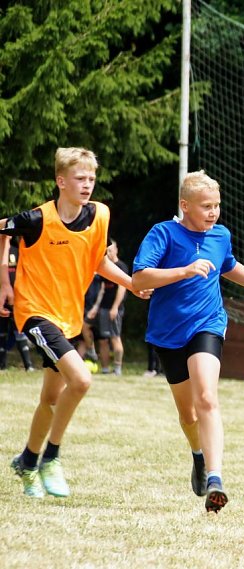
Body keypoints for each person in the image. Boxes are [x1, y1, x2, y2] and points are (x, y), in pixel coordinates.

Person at [132, 170, 244, 514]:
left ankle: (216, 479)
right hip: (168, 333)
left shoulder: (220, 235)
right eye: (206, 206)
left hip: (208, 324)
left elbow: (229, 266)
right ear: (185, 205)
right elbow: (140, 278)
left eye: (217, 205)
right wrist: (185, 270)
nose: (213, 212)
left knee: (206, 396)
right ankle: (198, 456)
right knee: (187, 413)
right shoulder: (163, 233)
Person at [1, 147, 150, 499]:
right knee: (81, 380)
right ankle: (50, 457)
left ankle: (27, 460)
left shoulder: (99, 215)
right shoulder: (36, 219)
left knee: (50, 399)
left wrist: (131, 284)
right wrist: (4, 283)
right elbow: (2, 230)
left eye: (92, 179)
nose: (87, 184)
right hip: (35, 312)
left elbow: (98, 261)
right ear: (61, 181)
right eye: (80, 178)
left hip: (68, 316)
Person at [94, 239, 128, 375]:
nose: (108, 253)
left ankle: (117, 369)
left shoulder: (121, 266)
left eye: (110, 250)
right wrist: (96, 307)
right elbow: (102, 289)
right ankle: (105, 369)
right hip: (103, 307)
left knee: (115, 338)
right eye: (106, 250)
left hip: (115, 309)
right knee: (103, 340)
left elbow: (122, 288)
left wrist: (115, 307)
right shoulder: (105, 267)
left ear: (116, 250)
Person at [0, 240, 35, 372]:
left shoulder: (18, 248)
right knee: (2, 332)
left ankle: (28, 365)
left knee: (20, 331)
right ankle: (2, 365)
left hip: (17, 297)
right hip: (2, 297)